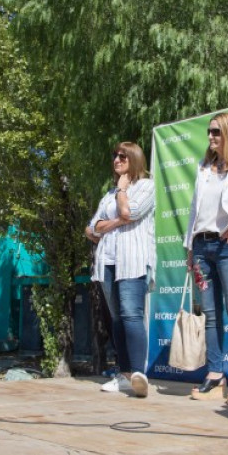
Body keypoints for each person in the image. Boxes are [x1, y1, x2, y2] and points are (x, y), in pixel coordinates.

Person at [183, 112, 228, 402]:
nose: (211, 137)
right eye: (209, 132)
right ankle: (215, 374)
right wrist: (190, 249)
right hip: (202, 248)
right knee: (211, 315)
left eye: (217, 132)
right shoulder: (203, 166)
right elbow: (193, 210)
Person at [86, 142, 155, 398]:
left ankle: (138, 374)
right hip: (108, 262)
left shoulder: (147, 186)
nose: (116, 159)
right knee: (116, 318)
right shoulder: (109, 194)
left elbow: (130, 211)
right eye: (115, 155)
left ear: (134, 159)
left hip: (133, 260)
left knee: (131, 315)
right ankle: (124, 374)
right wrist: (117, 220)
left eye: (122, 156)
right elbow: (92, 229)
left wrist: (123, 192)